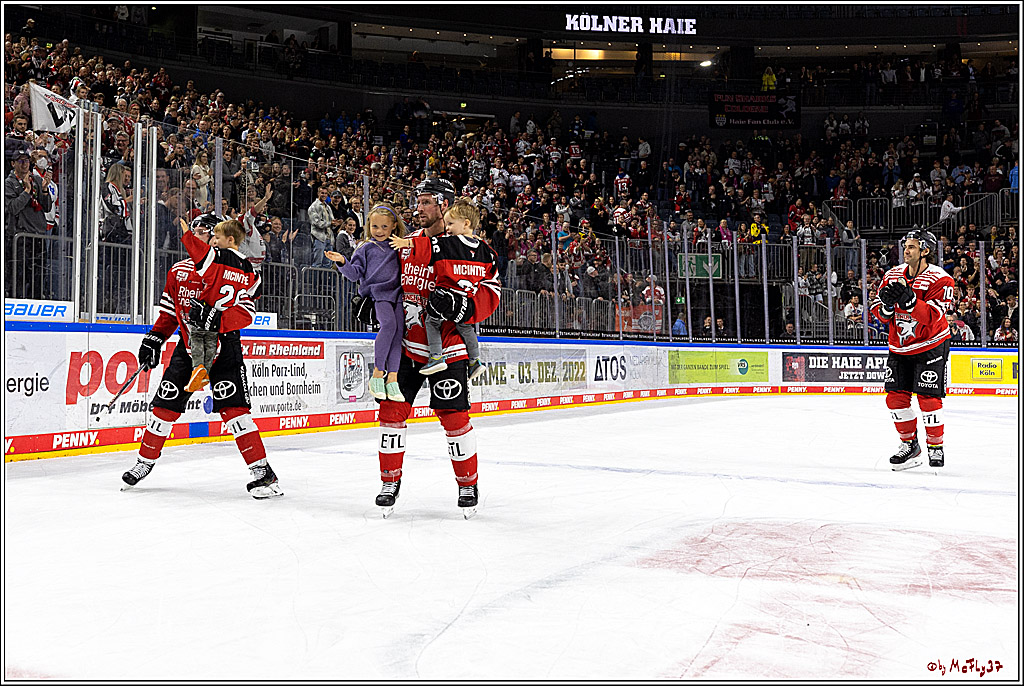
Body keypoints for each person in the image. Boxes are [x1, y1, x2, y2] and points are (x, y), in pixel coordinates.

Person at [122, 214, 282, 498]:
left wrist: (217, 320)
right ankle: (144, 462)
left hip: (224, 347)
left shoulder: (228, 268)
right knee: (163, 408)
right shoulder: (178, 271)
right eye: (194, 230)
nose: (197, 234)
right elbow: (170, 313)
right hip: (187, 347)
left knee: (235, 413)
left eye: (204, 231)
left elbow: (246, 313)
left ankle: (262, 472)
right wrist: (154, 338)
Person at [372, 178, 500, 518]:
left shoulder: (472, 248)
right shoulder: (408, 243)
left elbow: (491, 291)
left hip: (449, 347)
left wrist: (466, 308)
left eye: (426, 201)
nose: (419, 208)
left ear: (444, 205)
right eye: (418, 201)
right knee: (391, 412)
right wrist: (375, 301)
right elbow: (389, 280)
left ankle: (468, 484)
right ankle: (389, 482)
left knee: (454, 416)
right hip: (406, 346)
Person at [869, 229, 955, 471]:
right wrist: (886, 308)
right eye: (905, 246)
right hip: (899, 346)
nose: (905, 250)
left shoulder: (941, 279)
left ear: (925, 251)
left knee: (928, 398)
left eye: (912, 247)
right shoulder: (892, 274)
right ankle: (910, 445)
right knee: (895, 398)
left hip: (931, 344)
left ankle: (935, 446)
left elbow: (934, 317)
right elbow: (877, 307)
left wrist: (910, 303)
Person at [389, 198, 496, 381]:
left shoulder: (450, 243)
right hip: (466, 299)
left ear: (466, 224)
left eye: (451, 224)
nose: (447, 228)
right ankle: (475, 360)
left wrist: (405, 243)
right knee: (466, 327)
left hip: (446, 296)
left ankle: (436, 357)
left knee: (432, 322)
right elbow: (489, 273)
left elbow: (427, 245)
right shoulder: (486, 250)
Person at [324, 203, 407, 402]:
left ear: (394, 226)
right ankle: (378, 374)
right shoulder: (366, 247)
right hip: (378, 294)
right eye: (375, 226)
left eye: (384, 227)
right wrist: (342, 261)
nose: (379, 231)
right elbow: (354, 274)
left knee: (398, 334)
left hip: (398, 295)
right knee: (388, 325)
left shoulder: (399, 246)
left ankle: (393, 379)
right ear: (368, 225)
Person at [178, 214, 261, 392]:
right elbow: (255, 291)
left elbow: (197, 251)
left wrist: (187, 235)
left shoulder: (217, 256)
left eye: (217, 237)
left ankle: (197, 368)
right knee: (211, 341)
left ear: (230, 239)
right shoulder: (248, 266)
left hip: (206, 310)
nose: (214, 241)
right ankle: (205, 373)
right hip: (222, 315)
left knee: (197, 337)